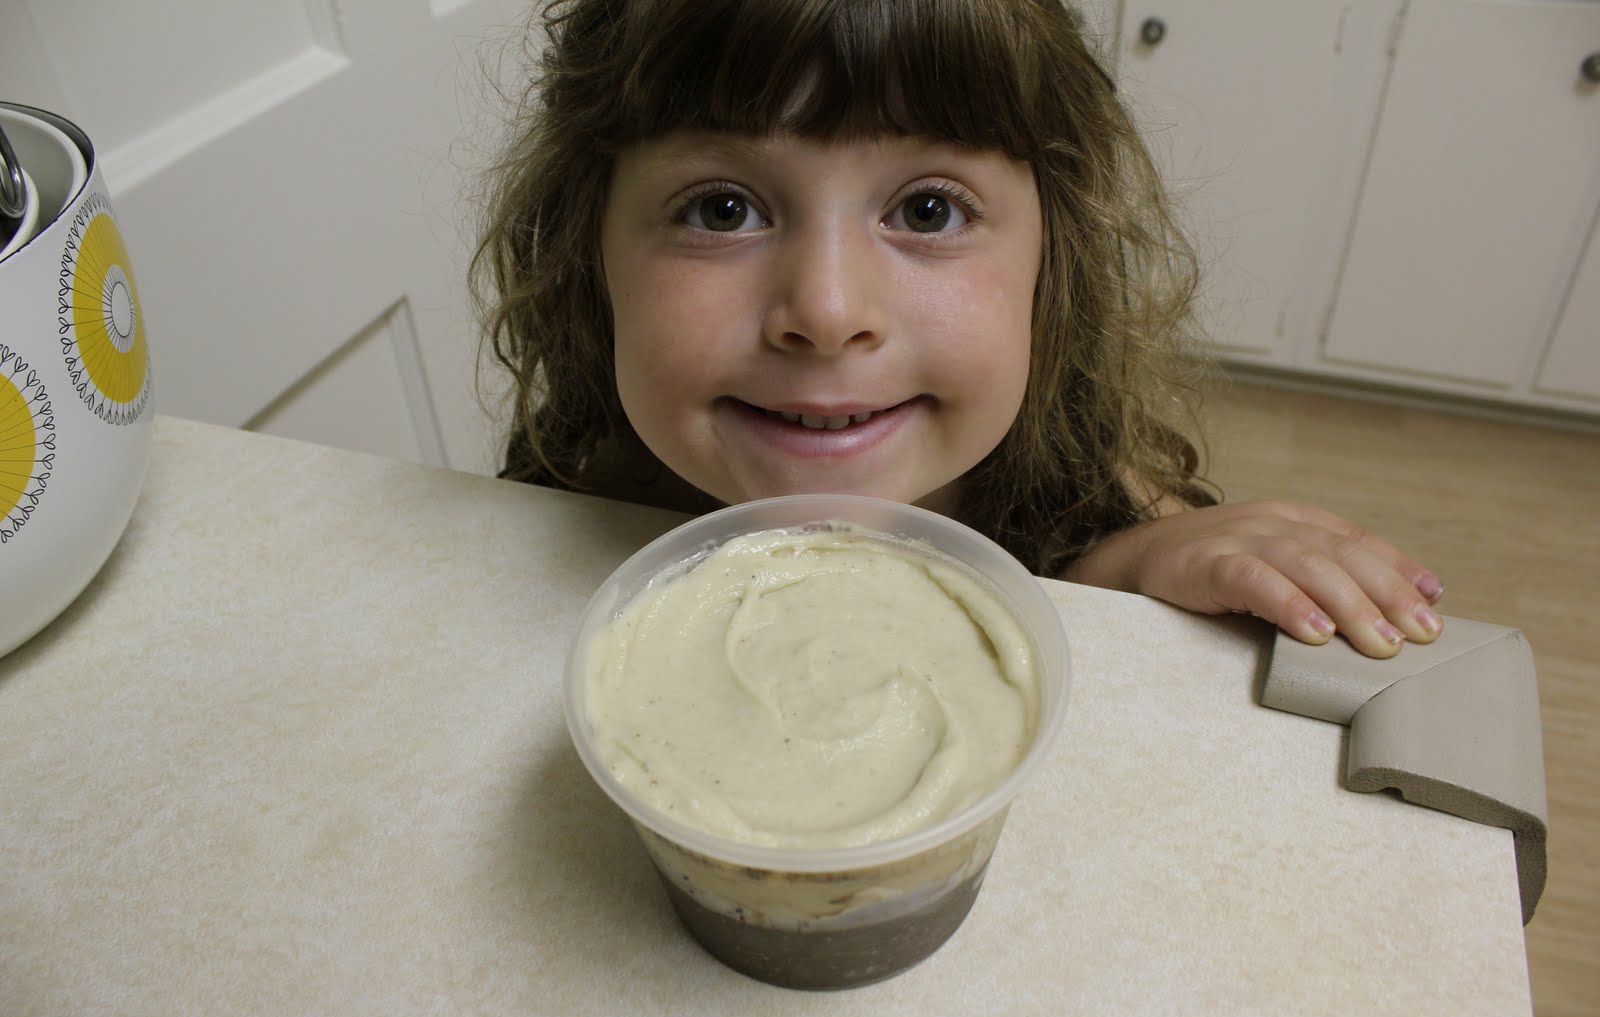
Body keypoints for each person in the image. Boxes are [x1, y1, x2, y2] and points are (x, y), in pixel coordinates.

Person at [472, 0, 1445, 659]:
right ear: (583, 250)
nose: (828, 311)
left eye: (927, 211)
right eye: (721, 210)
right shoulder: (572, 500)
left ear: (1048, 261)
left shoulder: (1078, 486)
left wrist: (1129, 570)